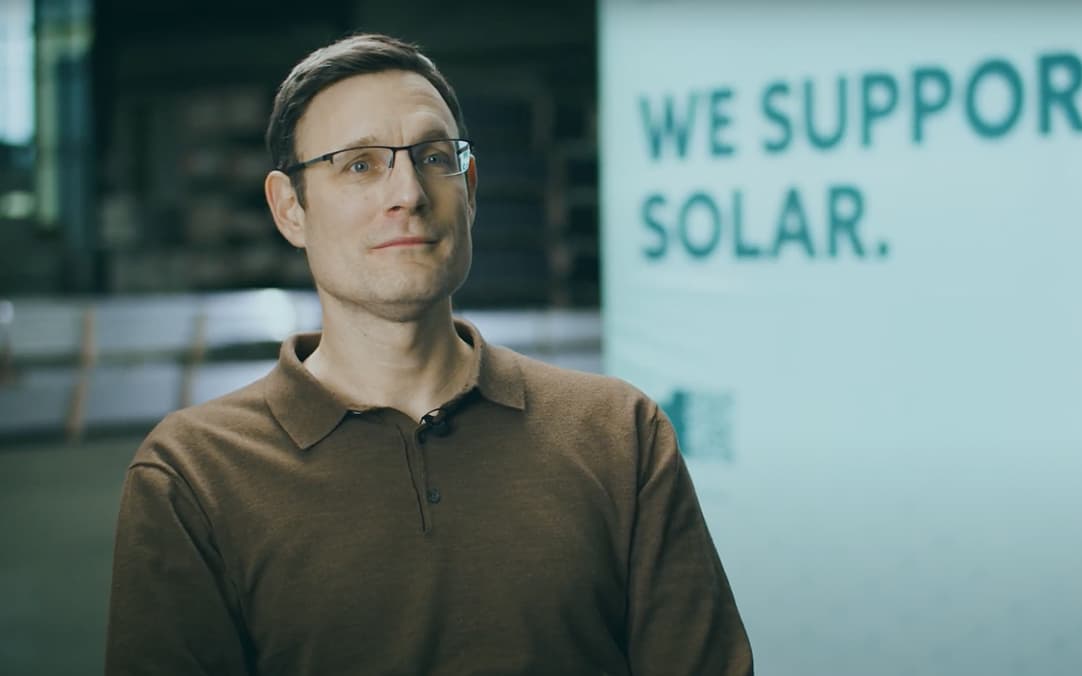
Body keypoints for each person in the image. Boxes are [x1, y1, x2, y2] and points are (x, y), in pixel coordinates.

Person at [104, 33, 752, 676]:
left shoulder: (619, 435)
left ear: (469, 189)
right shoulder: (192, 476)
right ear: (289, 209)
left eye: (435, 158)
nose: (408, 193)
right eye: (359, 164)